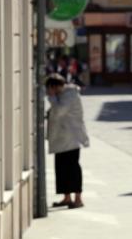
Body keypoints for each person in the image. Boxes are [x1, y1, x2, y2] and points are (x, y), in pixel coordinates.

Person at [46, 74, 89, 209]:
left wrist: (52, 97)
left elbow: (59, 111)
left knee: (72, 169)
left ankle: (78, 199)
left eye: (50, 89)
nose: (49, 92)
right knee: (61, 169)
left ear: (55, 86)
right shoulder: (61, 95)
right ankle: (67, 197)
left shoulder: (70, 94)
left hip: (71, 138)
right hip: (61, 139)